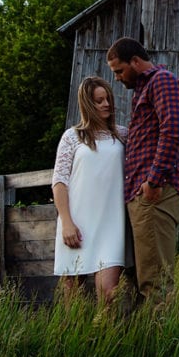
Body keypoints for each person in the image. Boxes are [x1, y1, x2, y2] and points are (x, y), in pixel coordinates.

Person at [106, 37, 179, 307]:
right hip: (142, 196)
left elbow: (174, 128)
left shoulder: (161, 81)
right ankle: (146, 341)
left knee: (156, 283)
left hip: (155, 194)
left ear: (135, 62)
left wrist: (153, 181)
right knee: (143, 278)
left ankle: (163, 346)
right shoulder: (143, 90)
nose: (117, 78)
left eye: (119, 70)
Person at [51, 76, 128, 304]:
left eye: (107, 99)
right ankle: (74, 340)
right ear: (87, 104)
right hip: (77, 224)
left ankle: (108, 340)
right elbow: (59, 182)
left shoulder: (123, 135)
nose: (106, 104)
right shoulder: (72, 137)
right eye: (99, 100)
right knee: (71, 299)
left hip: (112, 225)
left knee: (109, 295)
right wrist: (66, 222)